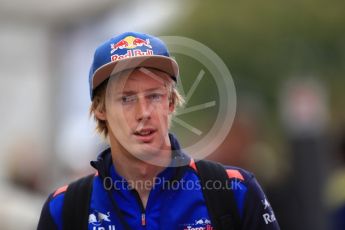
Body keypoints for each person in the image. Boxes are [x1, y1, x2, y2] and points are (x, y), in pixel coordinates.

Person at [37, 32, 280, 230]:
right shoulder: (65, 208)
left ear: (171, 103)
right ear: (101, 109)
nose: (144, 112)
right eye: (126, 98)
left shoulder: (234, 191)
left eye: (154, 96)